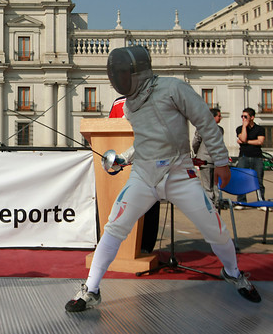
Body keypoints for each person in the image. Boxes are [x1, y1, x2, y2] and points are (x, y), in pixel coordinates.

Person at [65, 46, 260, 313]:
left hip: (180, 173)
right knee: (113, 227)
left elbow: (205, 123)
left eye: (122, 72)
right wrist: (124, 158)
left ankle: (234, 273)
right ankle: (91, 289)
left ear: (136, 71)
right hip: (144, 176)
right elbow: (144, 141)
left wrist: (223, 161)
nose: (118, 78)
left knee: (214, 229)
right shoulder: (131, 106)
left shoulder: (173, 88)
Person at [108, 95, 159, 254]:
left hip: (149, 162)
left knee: (148, 204)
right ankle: (121, 245)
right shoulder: (118, 102)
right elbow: (109, 129)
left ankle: (145, 246)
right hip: (124, 166)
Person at [192, 108, 223, 203]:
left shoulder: (219, 129)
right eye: (219, 116)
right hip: (206, 160)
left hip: (212, 160)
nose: (221, 118)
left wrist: (198, 153)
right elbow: (196, 142)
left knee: (212, 183)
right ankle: (213, 201)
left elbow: (195, 143)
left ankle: (213, 201)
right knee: (208, 183)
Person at [235, 107, 265, 204]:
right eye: (242, 116)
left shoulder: (260, 129)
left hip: (257, 157)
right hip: (244, 157)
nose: (243, 118)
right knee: (241, 179)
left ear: (252, 117)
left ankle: (261, 201)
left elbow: (260, 141)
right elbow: (242, 138)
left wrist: (246, 142)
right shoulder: (239, 128)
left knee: (259, 180)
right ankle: (241, 201)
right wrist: (244, 127)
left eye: (245, 116)